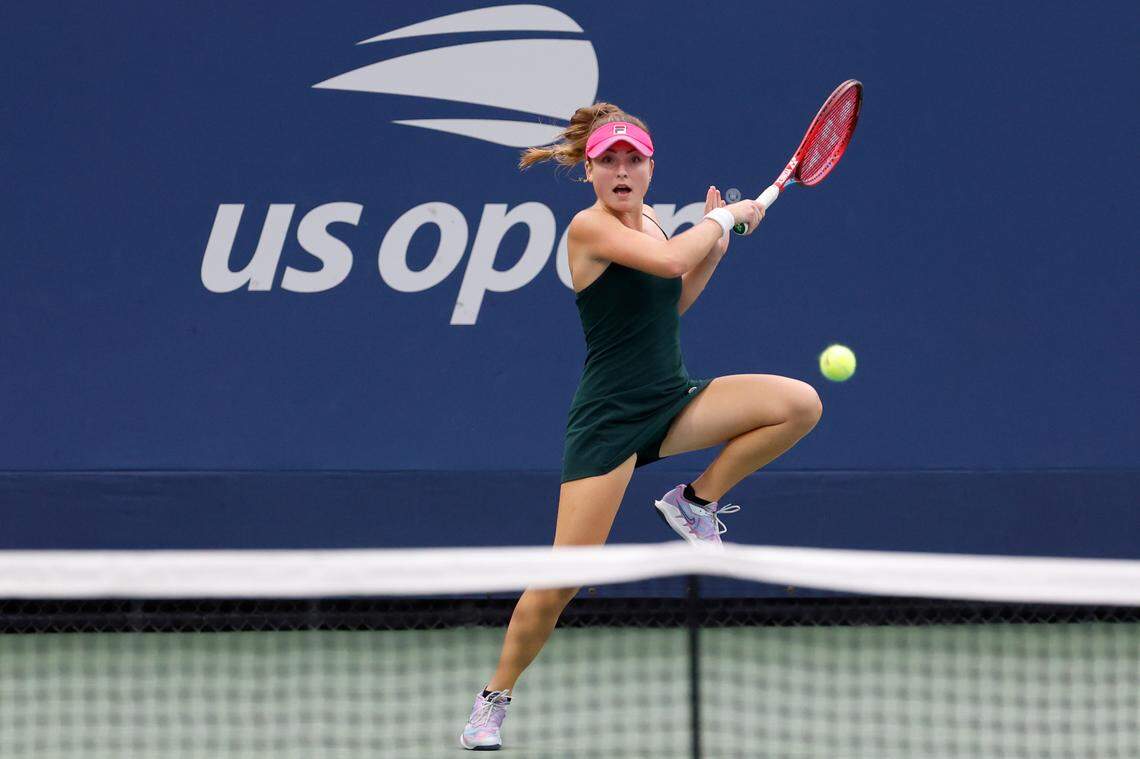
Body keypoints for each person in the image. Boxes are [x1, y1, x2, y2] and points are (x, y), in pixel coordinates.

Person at [459, 103, 822, 751]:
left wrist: (716, 242)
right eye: (609, 161)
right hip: (608, 420)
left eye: (634, 159)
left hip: (670, 398)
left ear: (651, 168)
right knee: (563, 577)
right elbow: (672, 265)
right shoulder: (587, 227)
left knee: (797, 403)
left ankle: (696, 500)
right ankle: (494, 696)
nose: (622, 170)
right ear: (590, 170)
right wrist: (719, 220)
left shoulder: (654, 221)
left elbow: (673, 298)